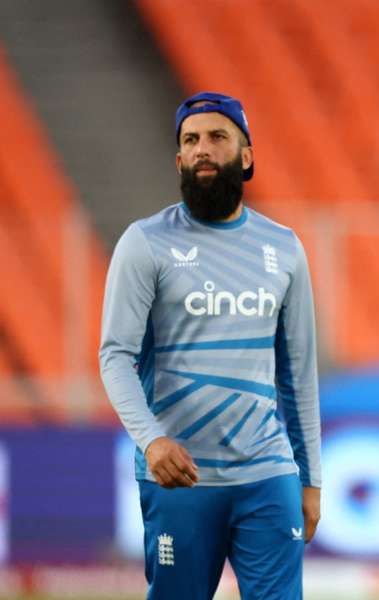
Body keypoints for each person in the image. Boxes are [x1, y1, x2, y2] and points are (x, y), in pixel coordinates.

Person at [99, 92, 321, 600]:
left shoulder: (283, 248)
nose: (203, 149)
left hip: (268, 473)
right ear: (178, 160)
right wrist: (151, 441)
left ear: (246, 156)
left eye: (217, 137)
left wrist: (311, 479)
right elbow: (115, 356)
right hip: (180, 479)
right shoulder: (145, 242)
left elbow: (299, 373)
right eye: (191, 140)